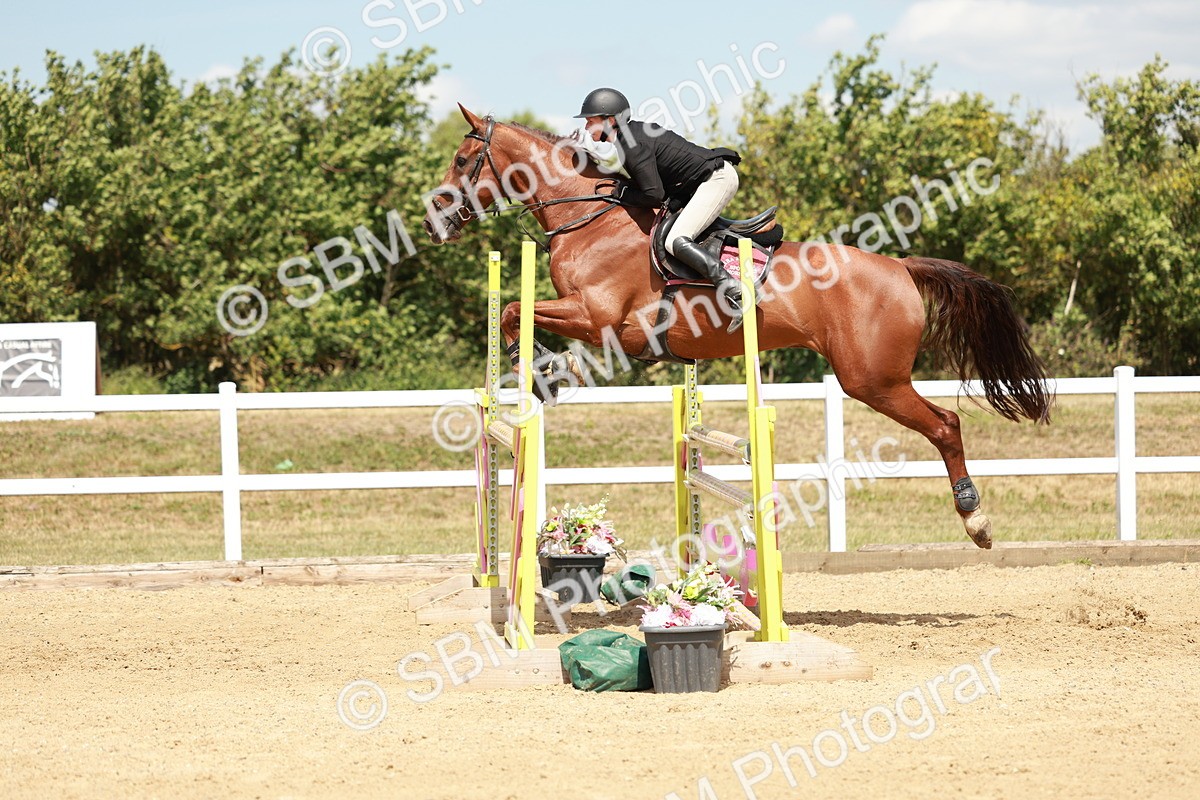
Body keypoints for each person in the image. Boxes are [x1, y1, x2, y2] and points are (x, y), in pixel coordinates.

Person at [573, 87, 744, 329]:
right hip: (696, 184)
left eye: (591, 121)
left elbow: (653, 194)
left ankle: (735, 290)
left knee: (675, 240)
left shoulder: (630, 145)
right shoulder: (629, 138)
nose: (587, 127)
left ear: (610, 120)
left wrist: (621, 193)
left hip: (715, 180)